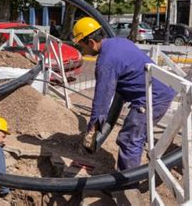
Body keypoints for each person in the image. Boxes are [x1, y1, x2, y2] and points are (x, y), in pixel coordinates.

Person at [72, 17, 176, 173]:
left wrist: (91, 131)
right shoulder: (118, 42)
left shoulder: (106, 61)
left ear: (91, 42)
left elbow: (101, 102)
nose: (82, 51)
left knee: (129, 139)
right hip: (157, 91)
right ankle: (129, 174)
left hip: (152, 98)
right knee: (135, 135)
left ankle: (127, 185)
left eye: (81, 46)